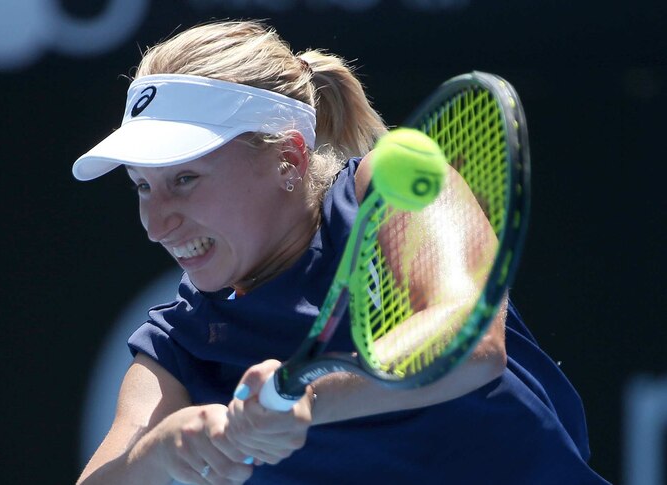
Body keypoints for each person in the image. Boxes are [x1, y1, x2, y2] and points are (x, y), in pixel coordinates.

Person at [71, 20, 607, 485]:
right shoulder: (180, 342)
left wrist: (308, 402)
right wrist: (160, 452)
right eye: (142, 186)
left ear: (290, 157)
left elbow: (470, 344)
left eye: (185, 179)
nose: (156, 223)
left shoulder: (391, 185)